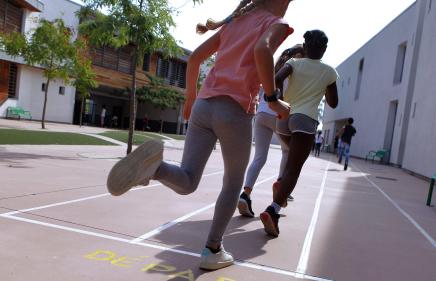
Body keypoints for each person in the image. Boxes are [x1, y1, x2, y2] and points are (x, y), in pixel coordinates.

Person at [106, 0, 294, 270]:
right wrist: (273, 99)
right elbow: (261, 49)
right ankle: (212, 249)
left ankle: (155, 169)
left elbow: (194, 58)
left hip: (204, 106)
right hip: (235, 110)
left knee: (188, 179)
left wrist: (190, 98)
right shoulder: (275, 24)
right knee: (232, 184)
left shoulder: (236, 21)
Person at [260, 30, 339, 237]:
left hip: (285, 119)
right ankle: (273, 211)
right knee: (294, 169)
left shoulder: (294, 64)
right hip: (305, 121)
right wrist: (325, 86)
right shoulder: (329, 72)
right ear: (324, 49)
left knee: (290, 163)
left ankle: (281, 187)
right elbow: (333, 103)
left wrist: (278, 97)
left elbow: (275, 78)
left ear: (304, 47)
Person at [238, 44, 304, 218]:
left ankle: (245, 194)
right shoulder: (293, 71)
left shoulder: (273, 69)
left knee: (259, 157)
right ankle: (281, 185)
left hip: (261, 114)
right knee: (287, 151)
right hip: (278, 114)